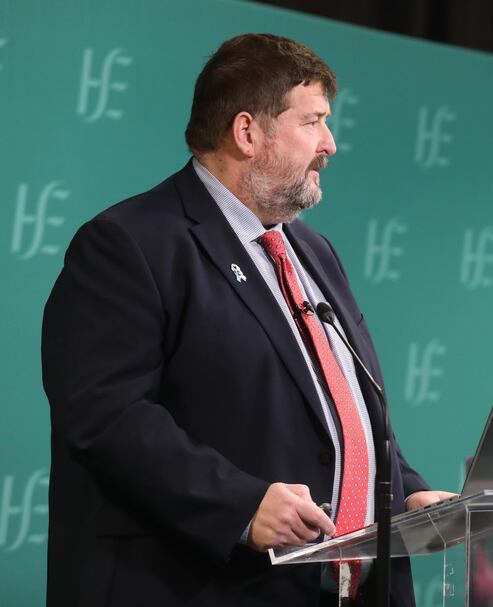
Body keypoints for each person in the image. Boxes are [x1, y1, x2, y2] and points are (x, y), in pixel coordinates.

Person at [41, 34, 453, 607]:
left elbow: (347, 405)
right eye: (313, 122)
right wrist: (240, 503)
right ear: (247, 133)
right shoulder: (131, 244)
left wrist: (406, 492)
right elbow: (106, 415)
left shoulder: (314, 251)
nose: (329, 144)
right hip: (206, 584)